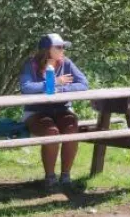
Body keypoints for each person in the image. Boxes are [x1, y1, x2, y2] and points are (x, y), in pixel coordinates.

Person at [19, 33, 90, 188]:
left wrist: (63, 89)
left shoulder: (66, 63)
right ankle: (50, 178)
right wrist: (52, 82)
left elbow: (84, 84)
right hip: (36, 113)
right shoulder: (31, 65)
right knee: (51, 131)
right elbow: (26, 87)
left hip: (62, 109)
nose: (63, 50)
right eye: (59, 47)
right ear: (47, 50)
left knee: (72, 128)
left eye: (63, 47)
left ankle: (66, 176)